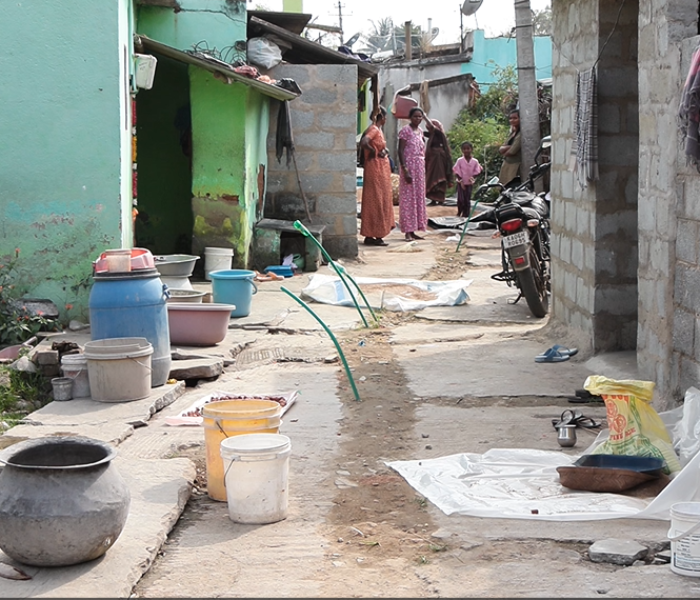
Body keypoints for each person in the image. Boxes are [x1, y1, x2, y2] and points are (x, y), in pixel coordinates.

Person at [359, 107, 394, 247]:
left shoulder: (377, 130)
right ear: (382, 118)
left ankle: (372, 234)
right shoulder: (373, 129)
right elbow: (364, 143)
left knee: (379, 199)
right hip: (376, 169)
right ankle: (376, 234)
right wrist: (374, 151)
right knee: (377, 200)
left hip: (380, 168)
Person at [398, 107, 431, 241]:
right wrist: (405, 169)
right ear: (410, 117)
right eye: (415, 116)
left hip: (419, 167)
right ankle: (407, 230)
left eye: (420, 117)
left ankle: (415, 229)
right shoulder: (405, 131)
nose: (418, 119)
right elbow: (400, 150)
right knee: (408, 199)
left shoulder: (421, 132)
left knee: (418, 198)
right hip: (409, 166)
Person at [424, 119, 453, 205]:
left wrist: (424, 117)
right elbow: (422, 133)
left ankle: (440, 199)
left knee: (440, 177)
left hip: (439, 158)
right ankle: (433, 199)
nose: (429, 130)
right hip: (432, 159)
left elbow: (432, 128)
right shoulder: (432, 135)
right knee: (431, 177)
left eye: (429, 128)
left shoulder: (439, 134)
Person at [452, 141, 482, 218]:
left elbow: (478, 170)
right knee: (460, 199)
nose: (466, 150)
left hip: (469, 183)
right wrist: (461, 181)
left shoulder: (475, 161)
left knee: (467, 199)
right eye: (464, 149)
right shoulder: (460, 160)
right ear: (462, 150)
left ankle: (466, 214)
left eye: (468, 148)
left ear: (471, 149)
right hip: (460, 182)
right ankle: (459, 212)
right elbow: (456, 171)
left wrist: (473, 178)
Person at [498, 109, 522, 188]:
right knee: (503, 187)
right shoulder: (512, 132)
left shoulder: (521, 133)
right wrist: (507, 147)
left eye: (515, 118)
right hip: (507, 163)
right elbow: (503, 147)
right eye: (510, 118)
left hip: (515, 165)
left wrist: (506, 149)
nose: (512, 120)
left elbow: (513, 151)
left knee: (511, 186)